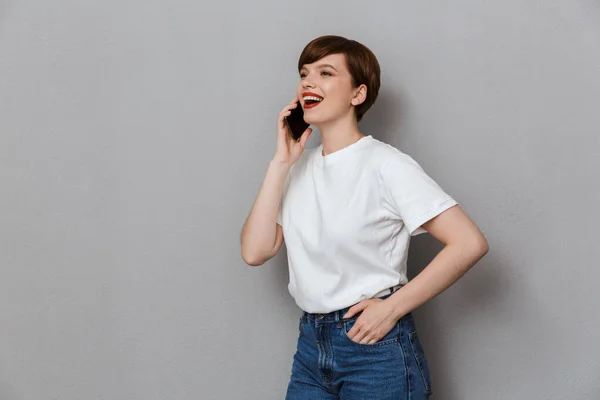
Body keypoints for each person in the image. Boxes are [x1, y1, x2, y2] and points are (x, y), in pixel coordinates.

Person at [240, 35, 489, 399]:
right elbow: (255, 252)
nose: (308, 81)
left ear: (358, 94)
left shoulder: (385, 164)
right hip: (312, 347)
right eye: (304, 73)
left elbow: (469, 243)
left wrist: (392, 309)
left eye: (326, 72)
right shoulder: (296, 169)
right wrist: (280, 163)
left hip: (375, 349)